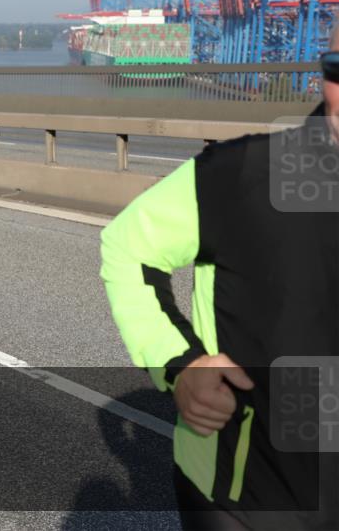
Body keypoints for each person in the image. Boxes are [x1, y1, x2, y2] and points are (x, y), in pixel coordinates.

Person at [100, 26, 339, 529]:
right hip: (247, 494)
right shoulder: (243, 174)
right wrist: (180, 366)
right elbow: (128, 247)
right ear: (323, 75)